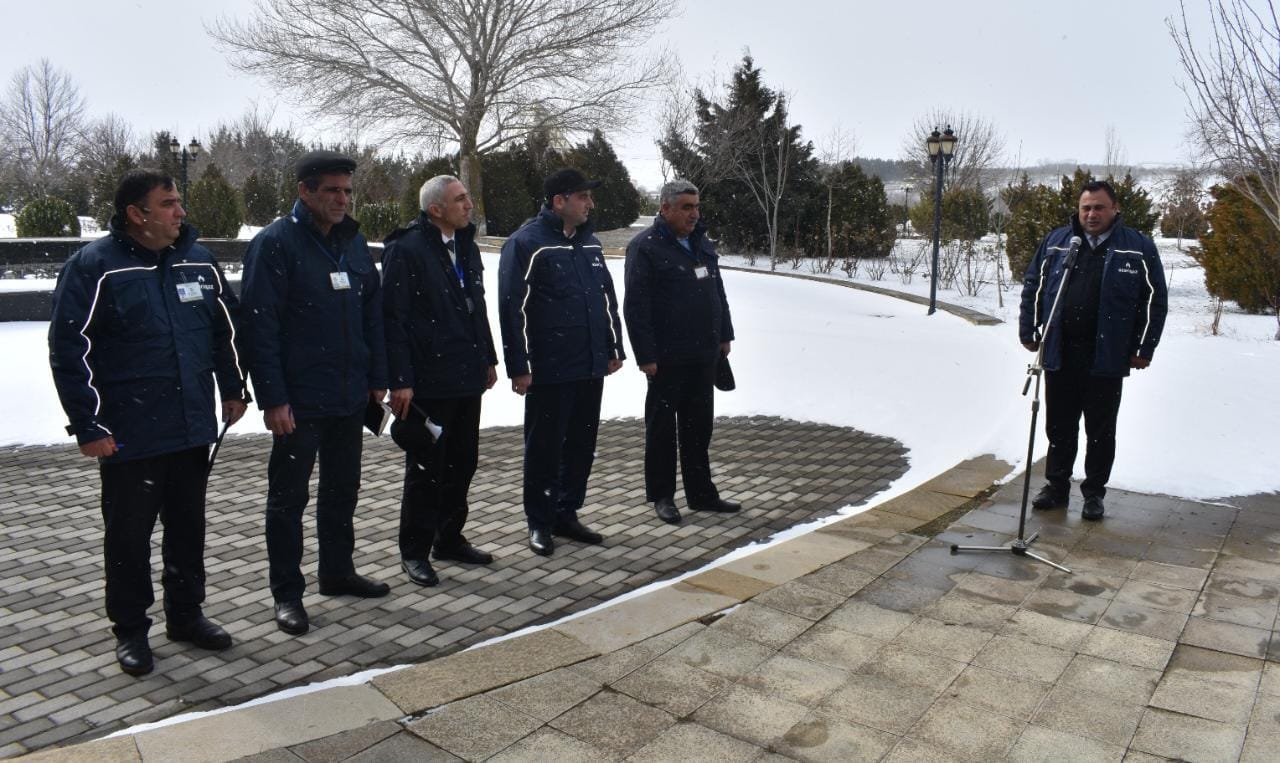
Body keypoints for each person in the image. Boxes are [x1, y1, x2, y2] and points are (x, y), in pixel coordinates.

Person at [48, 169, 249, 676]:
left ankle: (186, 616)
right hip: (129, 433)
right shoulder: (95, 267)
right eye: (169, 204)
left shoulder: (198, 262)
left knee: (188, 528)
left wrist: (231, 387)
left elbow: (224, 330)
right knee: (129, 537)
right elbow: (70, 348)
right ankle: (131, 630)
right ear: (138, 214)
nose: (181, 212)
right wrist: (88, 424)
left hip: (190, 424)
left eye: (178, 202)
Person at [240, 150, 390, 635]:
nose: (342, 199)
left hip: (348, 395)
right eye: (332, 190)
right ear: (304, 191)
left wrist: (376, 377)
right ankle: (287, 594)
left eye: (347, 190)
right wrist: (273, 398)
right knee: (288, 501)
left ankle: (337, 572)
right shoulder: (275, 244)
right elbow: (259, 328)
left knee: (342, 490)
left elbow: (372, 316)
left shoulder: (353, 241)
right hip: (299, 400)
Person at [1019, 180, 1168, 521]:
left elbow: (1155, 299)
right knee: (1059, 427)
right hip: (1061, 352)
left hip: (1106, 356)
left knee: (1100, 431)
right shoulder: (1058, 242)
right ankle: (1056, 487)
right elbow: (1034, 287)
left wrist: (1145, 347)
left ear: (1114, 209)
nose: (1091, 214)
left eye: (1099, 207)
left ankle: (1094, 494)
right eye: (1086, 207)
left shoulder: (1136, 246)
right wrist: (1029, 330)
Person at [498, 168, 626, 556]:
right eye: (583, 196)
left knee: (581, 445)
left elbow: (606, 298)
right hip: (550, 369)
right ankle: (540, 521)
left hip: (590, 365)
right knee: (544, 448)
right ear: (560, 201)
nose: (591, 204)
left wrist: (614, 347)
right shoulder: (527, 244)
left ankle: (566, 512)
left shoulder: (589, 243)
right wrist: (519, 366)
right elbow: (511, 309)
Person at [382, 175, 498, 586]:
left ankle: (448, 537)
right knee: (426, 469)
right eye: (461, 199)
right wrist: (400, 379)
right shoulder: (406, 248)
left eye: (468, 197)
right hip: (428, 379)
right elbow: (393, 319)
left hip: (466, 374)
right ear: (436, 209)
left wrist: (488, 356)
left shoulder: (463, 244)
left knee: (462, 462)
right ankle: (414, 551)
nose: (469, 205)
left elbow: (476, 304)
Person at [624, 180, 740, 525]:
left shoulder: (700, 242)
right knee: (662, 431)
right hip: (666, 358)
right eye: (686, 207)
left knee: (699, 428)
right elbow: (637, 307)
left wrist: (725, 334)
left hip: (704, 353)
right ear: (665, 208)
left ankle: (701, 493)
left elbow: (717, 290)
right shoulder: (645, 247)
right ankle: (662, 496)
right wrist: (646, 355)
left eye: (696, 206)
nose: (694, 213)